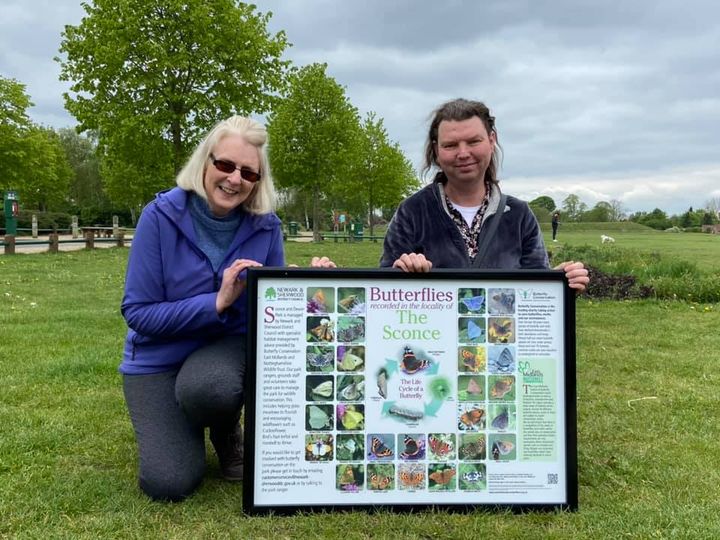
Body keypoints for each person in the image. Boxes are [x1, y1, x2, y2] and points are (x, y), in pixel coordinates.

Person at [120, 115, 333, 502]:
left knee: (212, 389)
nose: (235, 179)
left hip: (222, 353)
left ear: (257, 181)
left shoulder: (265, 226)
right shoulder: (159, 216)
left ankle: (223, 424)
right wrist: (216, 301)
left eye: (248, 173)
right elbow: (138, 313)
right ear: (205, 162)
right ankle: (181, 425)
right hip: (157, 359)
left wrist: (310, 289)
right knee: (168, 483)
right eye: (225, 165)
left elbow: (270, 313)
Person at [380, 98, 589, 292]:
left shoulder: (519, 215)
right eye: (451, 145)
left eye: (473, 142)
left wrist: (557, 285)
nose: (463, 153)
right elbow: (385, 293)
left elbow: (533, 293)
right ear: (436, 150)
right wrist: (400, 271)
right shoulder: (412, 212)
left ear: (491, 140)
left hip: (502, 333)